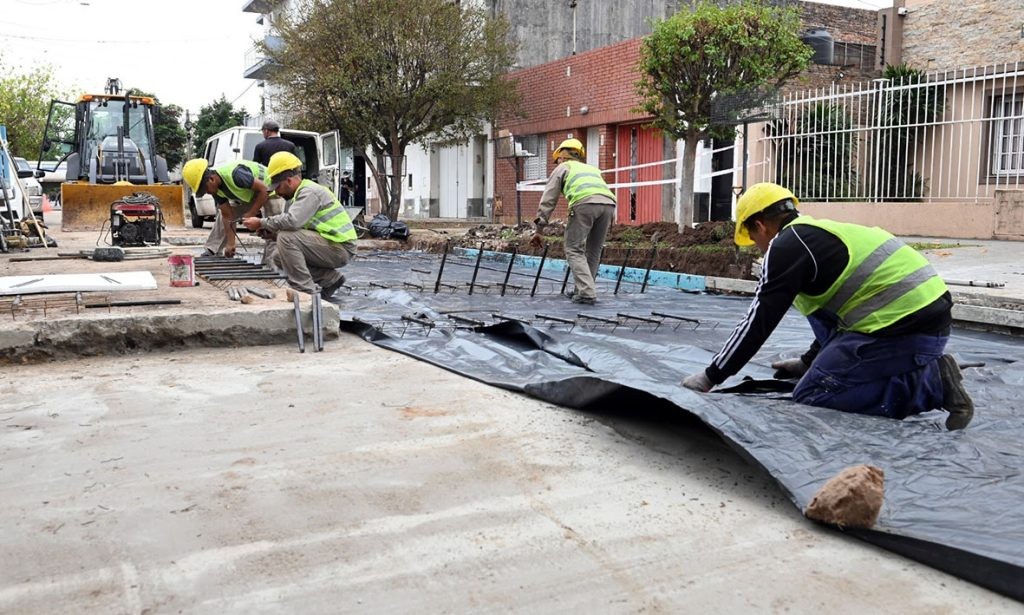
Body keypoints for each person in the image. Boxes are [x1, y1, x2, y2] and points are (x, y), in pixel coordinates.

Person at [681, 182, 974, 431]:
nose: (757, 246)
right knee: (816, 343)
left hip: (907, 328)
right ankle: (918, 367)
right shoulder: (814, 236)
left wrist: (712, 376)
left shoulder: (785, 247)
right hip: (921, 318)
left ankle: (933, 383)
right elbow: (827, 314)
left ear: (760, 225)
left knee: (814, 393)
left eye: (754, 238)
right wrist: (808, 362)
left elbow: (758, 320)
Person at [241, 151, 357, 299]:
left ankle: (306, 290)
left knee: (286, 237)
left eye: (278, 187)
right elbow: (300, 229)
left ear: (289, 181)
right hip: (332, 245)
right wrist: (273, 235)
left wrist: (262, 222)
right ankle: (331, 279)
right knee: (278, 256)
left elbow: (293, 221)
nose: (277, 192)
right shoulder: (298, 195)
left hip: (341, 248)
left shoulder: (309, 192)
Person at [530, 138, 616, 305]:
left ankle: (586, 292)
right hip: (608, 205)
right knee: (594, 250)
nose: (558, 162)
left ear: (561, 157)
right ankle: (583, 288)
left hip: (584, 204)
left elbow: (549, 199)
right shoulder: (592, 169)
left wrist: (539, 229)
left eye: (558, 160)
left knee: (573, 248)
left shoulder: (563, 168)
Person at [182, 158, 271, 258]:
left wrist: (252, 212)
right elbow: (227, 214)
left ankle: (272, 260)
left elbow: (264, 189)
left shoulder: (236, 175)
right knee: (222, 215)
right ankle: (213, 249)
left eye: (205, 189)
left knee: (272, 225)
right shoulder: (215, 189)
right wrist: (231, 243)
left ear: (212, 179)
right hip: (253, 194)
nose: (206, 192)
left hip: (271, 189)